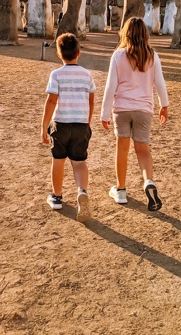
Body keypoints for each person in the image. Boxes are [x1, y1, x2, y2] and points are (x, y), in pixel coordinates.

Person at [100, 17, 168, 211]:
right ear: (145, 34)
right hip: (144, 109)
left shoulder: (118, 55)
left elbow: (110, 86)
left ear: (125, 33)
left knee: (122, 149)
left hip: (121, 108)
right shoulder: (152, 55)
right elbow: (160, 83)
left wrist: (104, 114)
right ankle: (148, 181)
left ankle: (120, 190)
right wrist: (165, 105)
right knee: (143, 150)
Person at [41, 32, 96, 221]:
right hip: (80, 123)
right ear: (78, 53)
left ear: (59, 53)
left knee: (58, 161)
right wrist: (87, 122)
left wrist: (44, 126)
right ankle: (82, 190)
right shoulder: (86, 75)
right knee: (79, 162)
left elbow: (51, 101)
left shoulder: (56, 75)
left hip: (61, 123)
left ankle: (57, 196)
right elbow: (91, 99)